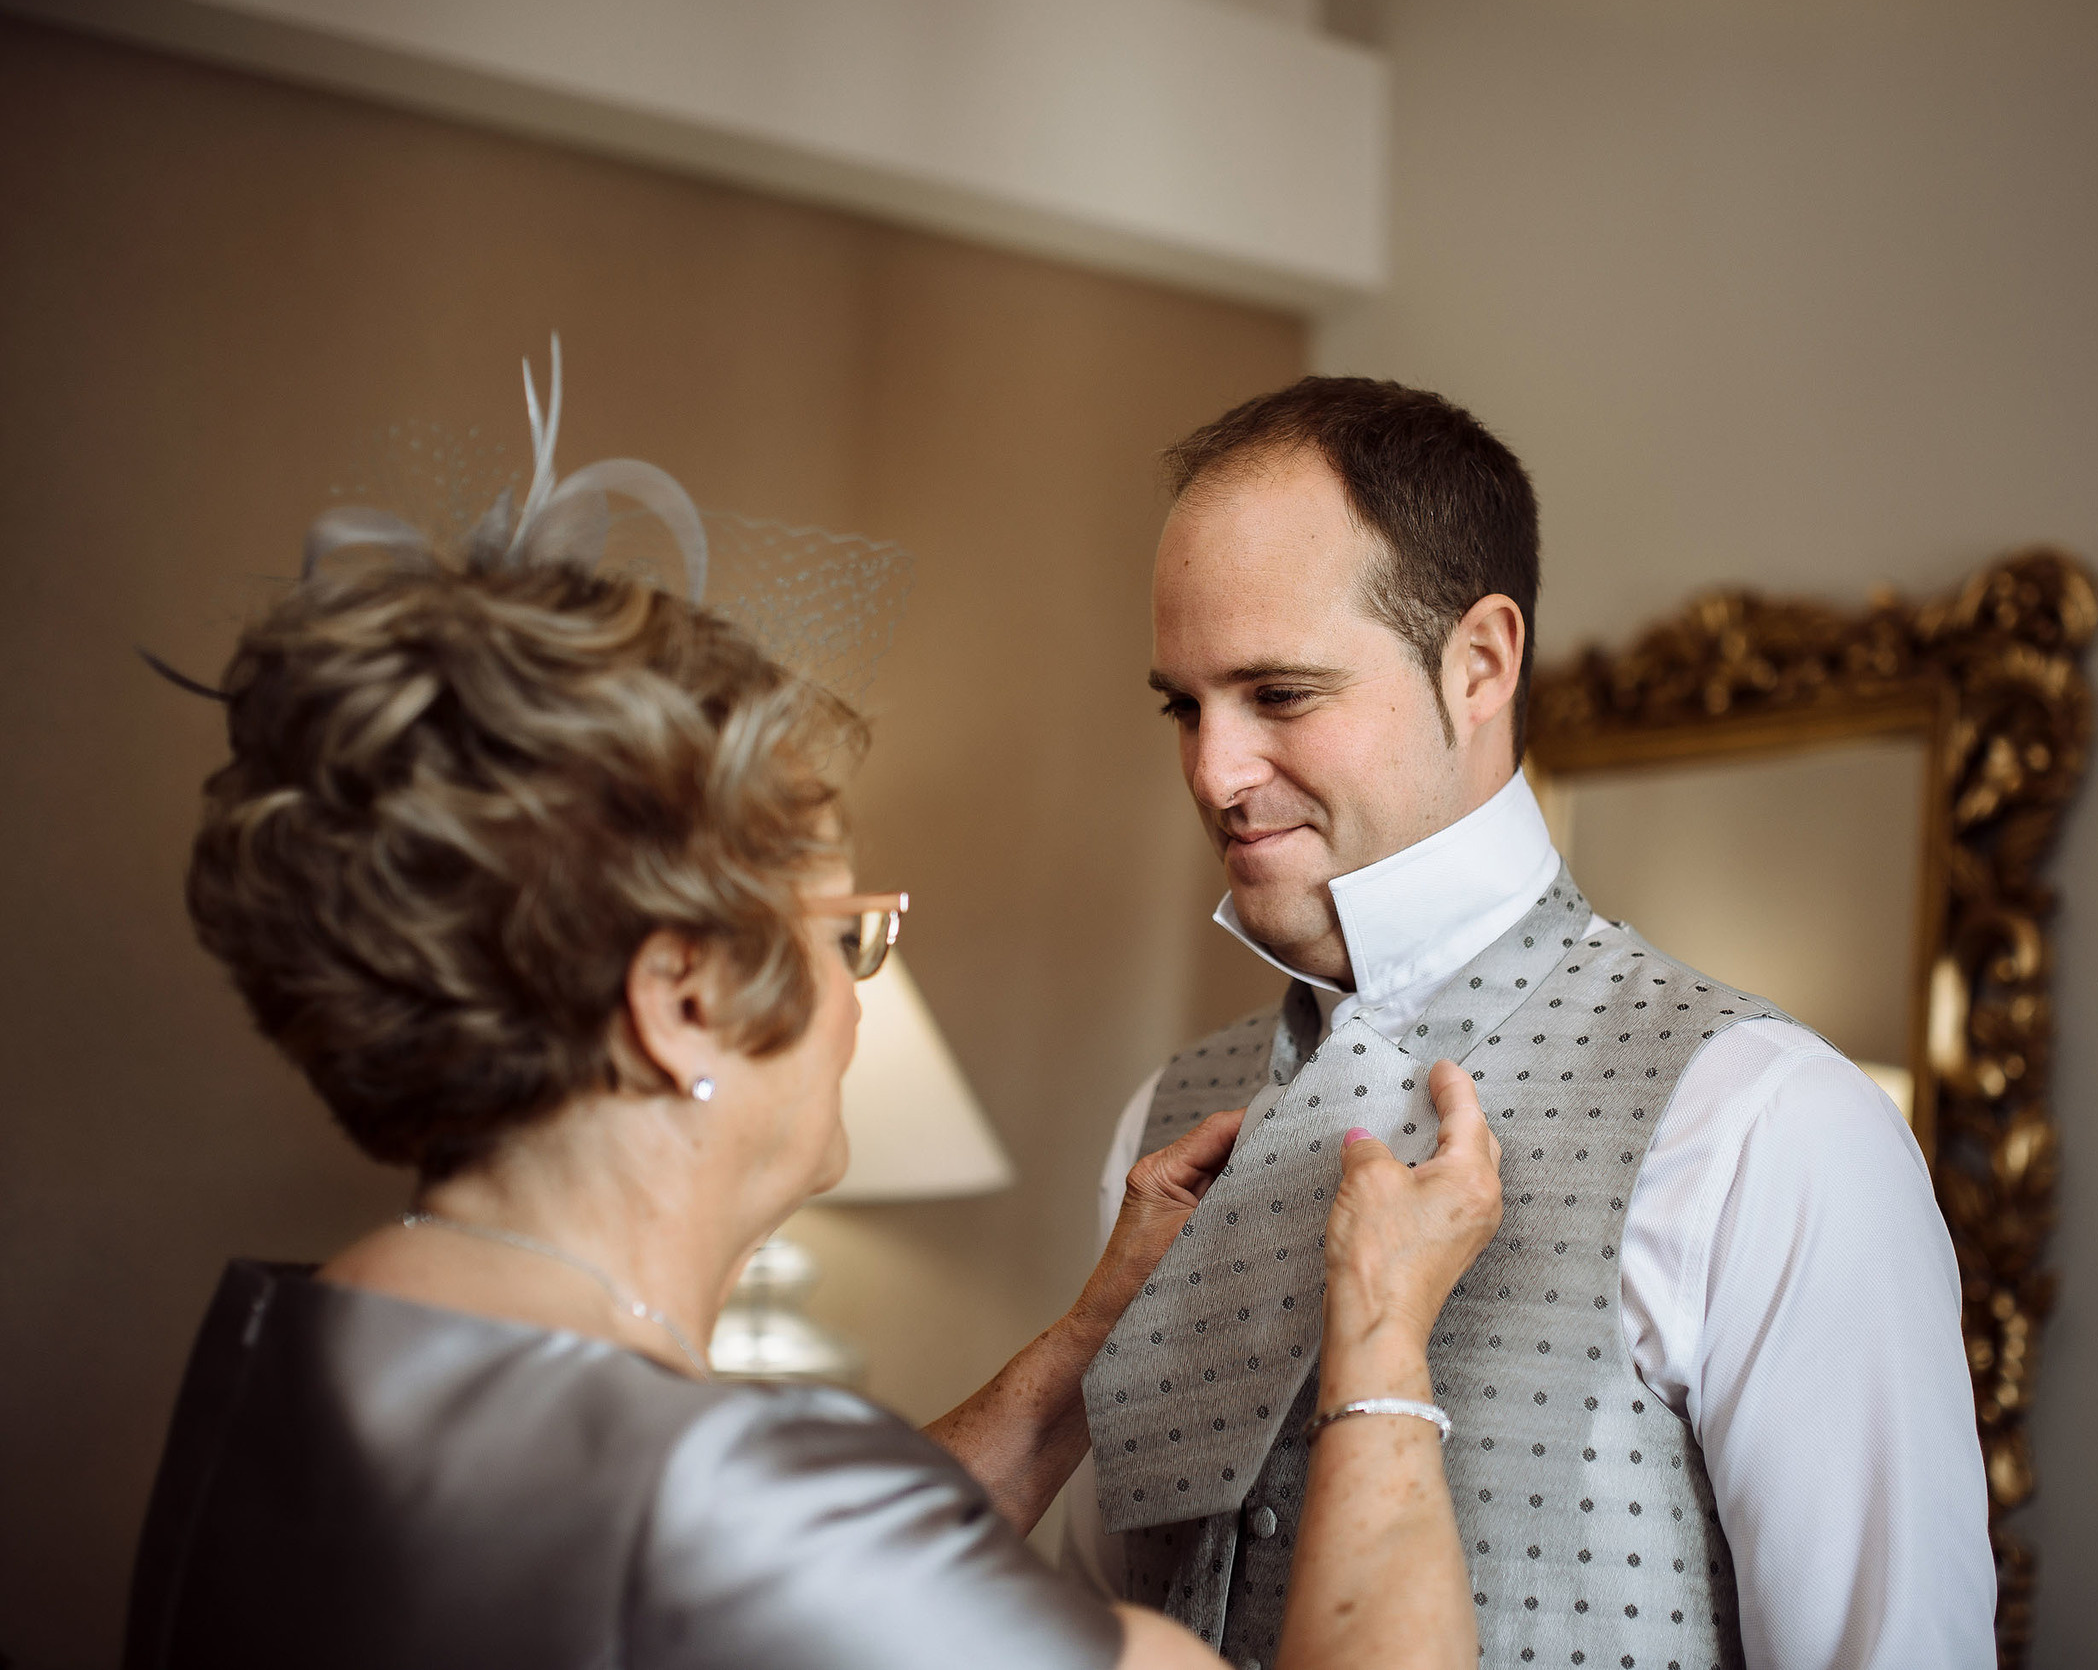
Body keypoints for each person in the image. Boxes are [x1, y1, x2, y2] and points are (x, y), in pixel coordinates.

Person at [125, 366, 1509, 1670]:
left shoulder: (306, 1342)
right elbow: (778, 1555)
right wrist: (1382, 1348)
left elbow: (796, 1596)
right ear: (680, 1003)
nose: (857, 1002)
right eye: (846, 937)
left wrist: (1089, 1343)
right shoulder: (724, 1500)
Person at [1070, 378, 1997, 1668]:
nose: (1213, 772)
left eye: (1278, 695)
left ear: (1480, 663)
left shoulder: (1764, 1129)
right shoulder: (1161, 1126)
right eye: (1184, 705)